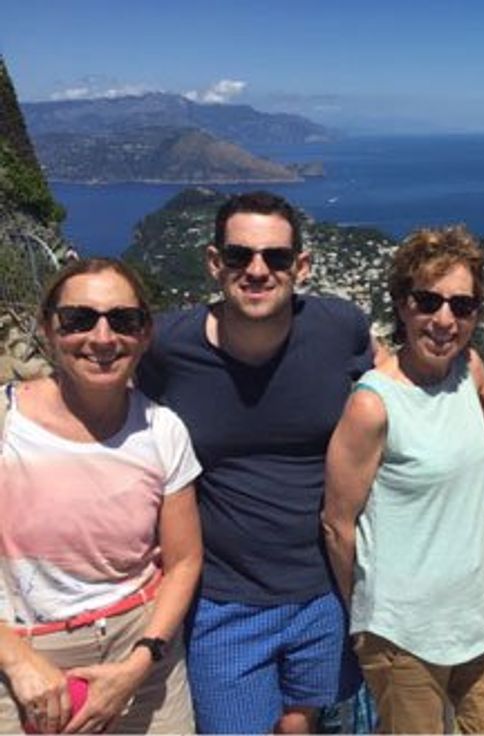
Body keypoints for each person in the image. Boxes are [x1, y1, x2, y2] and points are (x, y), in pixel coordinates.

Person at [137, 191, 374, 734]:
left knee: (308, 725)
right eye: (240, 255)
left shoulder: (340, 329)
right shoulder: (169, 348)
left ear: (302, 266)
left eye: (277, 257)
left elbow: (394, 391)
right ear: (214, 262)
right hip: (224, 603)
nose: (258, 270)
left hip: (329, 595)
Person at [322, 225, 484, 734]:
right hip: (403, 633)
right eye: (428, 301)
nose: (444, 319)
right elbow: (337, 526)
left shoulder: (470, 370)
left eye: (462, 306)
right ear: (402, 304)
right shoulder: (373, 404)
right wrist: (367, 616)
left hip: (483, 621)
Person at [0, 258, 202, 734]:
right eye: (79, 319)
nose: (103, 338)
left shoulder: (162, 430)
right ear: (48, 329)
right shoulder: (8, 424)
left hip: (141, 651)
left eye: (124, 320)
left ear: (145, 334)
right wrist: (18, 660)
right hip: (20, 660)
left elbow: (185, 560)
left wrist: (140, 662)